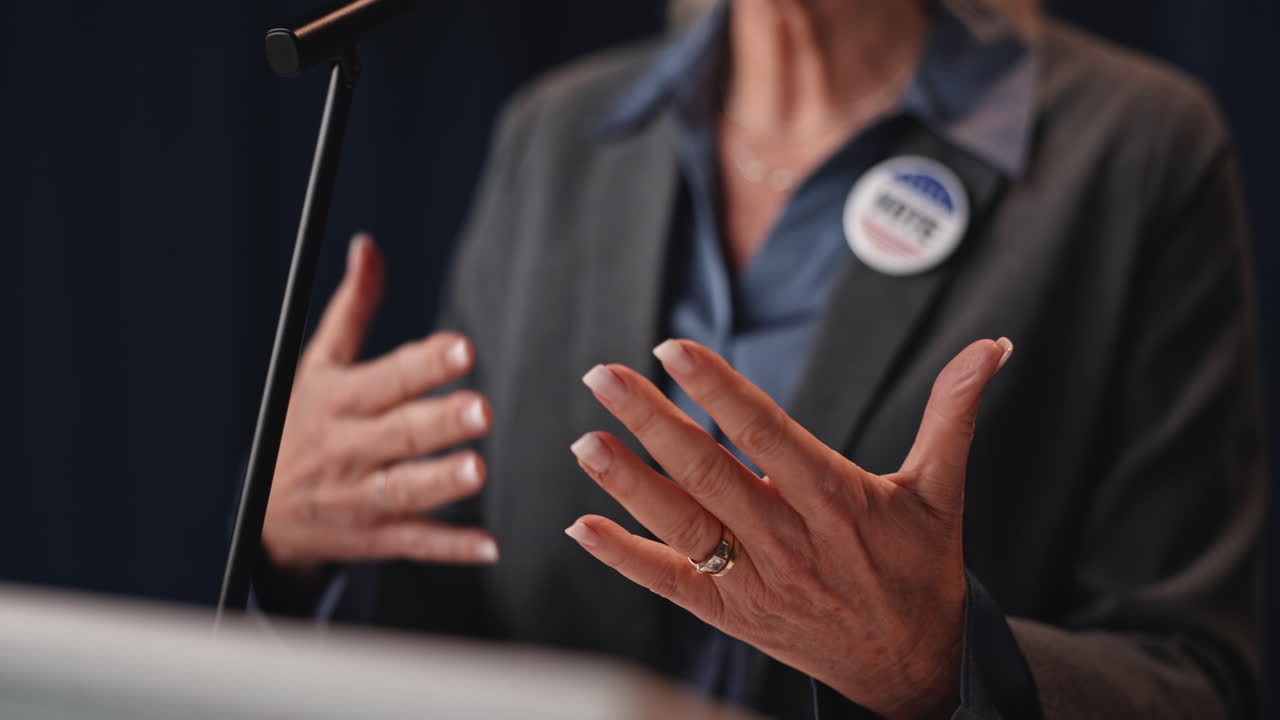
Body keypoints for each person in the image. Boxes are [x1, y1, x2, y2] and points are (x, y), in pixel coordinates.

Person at [253, 0, 1264, 717]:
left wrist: (944, 669)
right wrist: (300, 551)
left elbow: (1195, 678)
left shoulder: (1133, 151)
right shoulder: (557, 137)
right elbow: (476, 613)